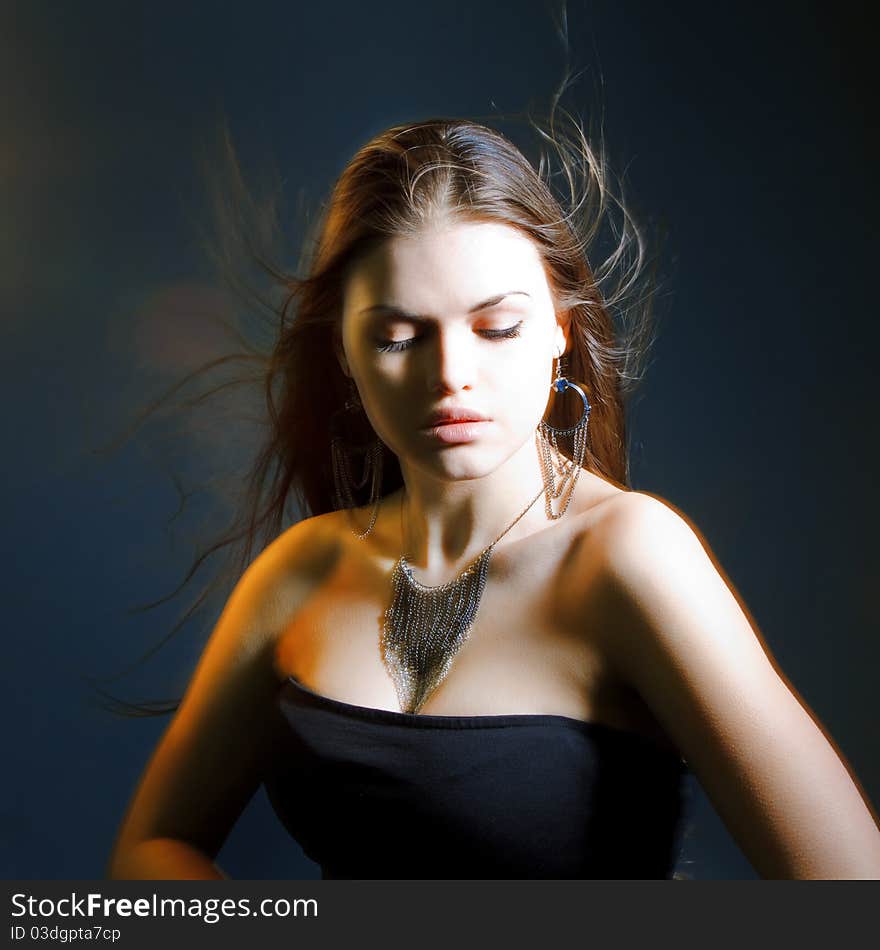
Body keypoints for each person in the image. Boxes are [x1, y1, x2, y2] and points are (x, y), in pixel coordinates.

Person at [106, 115, 880, 880]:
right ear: (344, 354)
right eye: (399, 338)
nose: (451, 375)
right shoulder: (302, 570)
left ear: (560, 331)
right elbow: (151, 850)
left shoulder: (629, 555)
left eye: (498, 327)